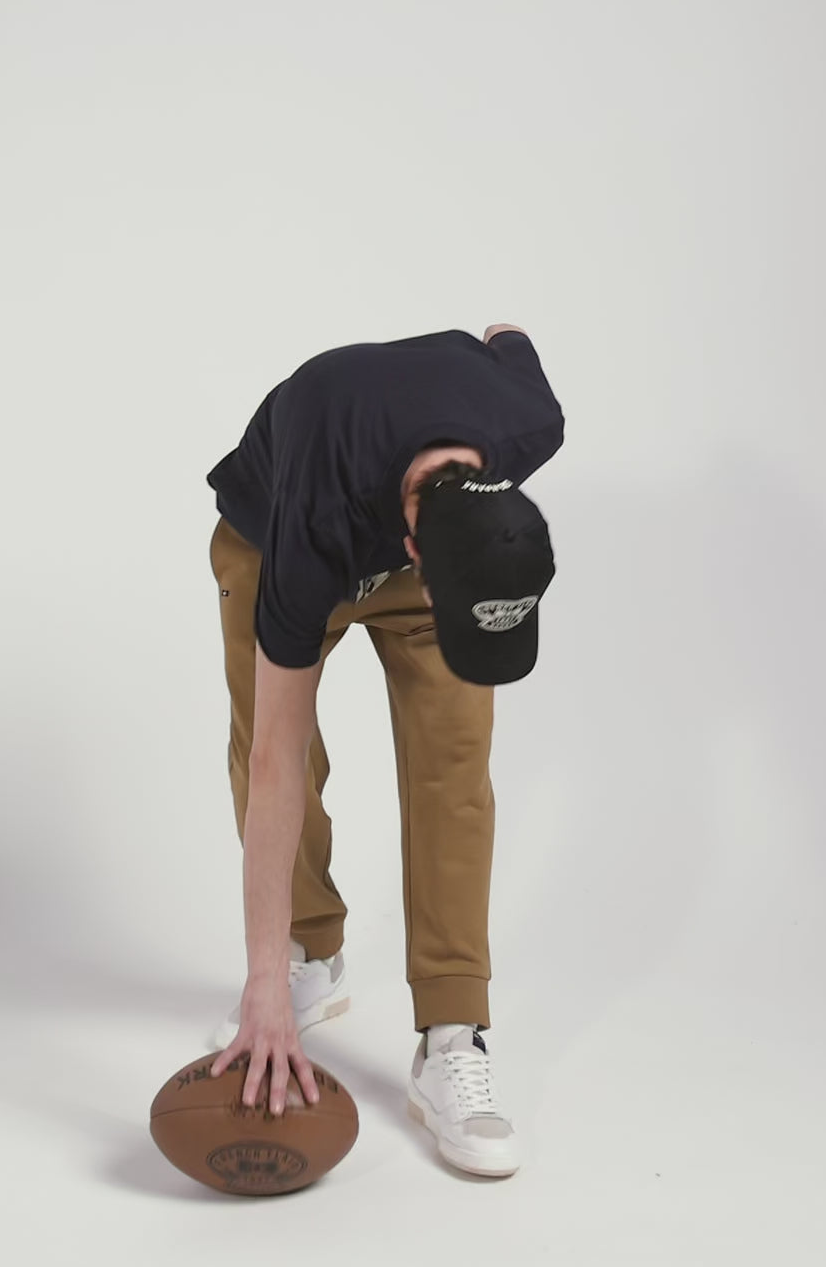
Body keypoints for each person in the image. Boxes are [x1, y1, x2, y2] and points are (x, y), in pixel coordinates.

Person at [204, 323, 563, 1177]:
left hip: (424, 527)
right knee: (278, 749)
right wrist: (260, 978)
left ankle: (451, 1032)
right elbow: (275, 762)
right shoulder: (313, 516)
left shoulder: (530, 423)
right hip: (274, 536)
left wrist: (473, 355)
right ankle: (305, 957)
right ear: (414, 560)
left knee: (456, 766)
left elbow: (506, 336)